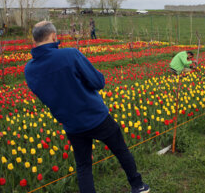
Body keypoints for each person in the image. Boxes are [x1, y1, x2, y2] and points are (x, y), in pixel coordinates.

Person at [24, 21, 149, 193]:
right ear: (54, 36)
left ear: (34, 40)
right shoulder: (69, 55)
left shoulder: (29, 70)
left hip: (71, 124)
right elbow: (97, 82)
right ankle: (138, 185)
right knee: (121, 150)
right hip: (96, 116)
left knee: (83, 165)